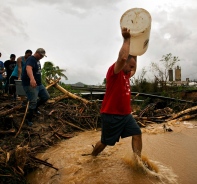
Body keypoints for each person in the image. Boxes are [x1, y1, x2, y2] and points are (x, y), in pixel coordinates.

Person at [91, 27, 142, 158]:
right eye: (130, 66)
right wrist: (126, 39)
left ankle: (138, 161)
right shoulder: (114, 73)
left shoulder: (126, 74)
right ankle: (92, 157)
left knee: (137, 133)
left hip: (126, 115)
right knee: (105, 142)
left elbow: (132, 64)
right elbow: (123, 57)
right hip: (111, 115)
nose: (132, 69)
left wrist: (136, 49)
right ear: (123, 64)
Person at [22, 48, 50, 126]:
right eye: (41, 55)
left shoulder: (37, 61)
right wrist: (32, 79)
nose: (42, 57)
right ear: (37, 53)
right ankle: (29, 119)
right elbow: (28, 68)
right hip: (30, 84)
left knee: (46, 96)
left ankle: (35, 109)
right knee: (33, 101)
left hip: (39, 84)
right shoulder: (31, 59)